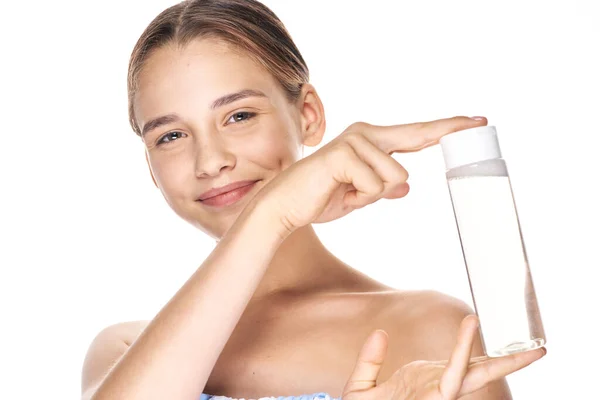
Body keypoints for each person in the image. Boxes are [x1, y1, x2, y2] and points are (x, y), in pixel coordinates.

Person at [80, 1, 546, 399]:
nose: (210, 161)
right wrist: (271, 214)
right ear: (150, 168)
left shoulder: (430, 330)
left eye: (238, 115)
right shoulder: (123, 354)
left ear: (307, 115)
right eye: (171, 135)